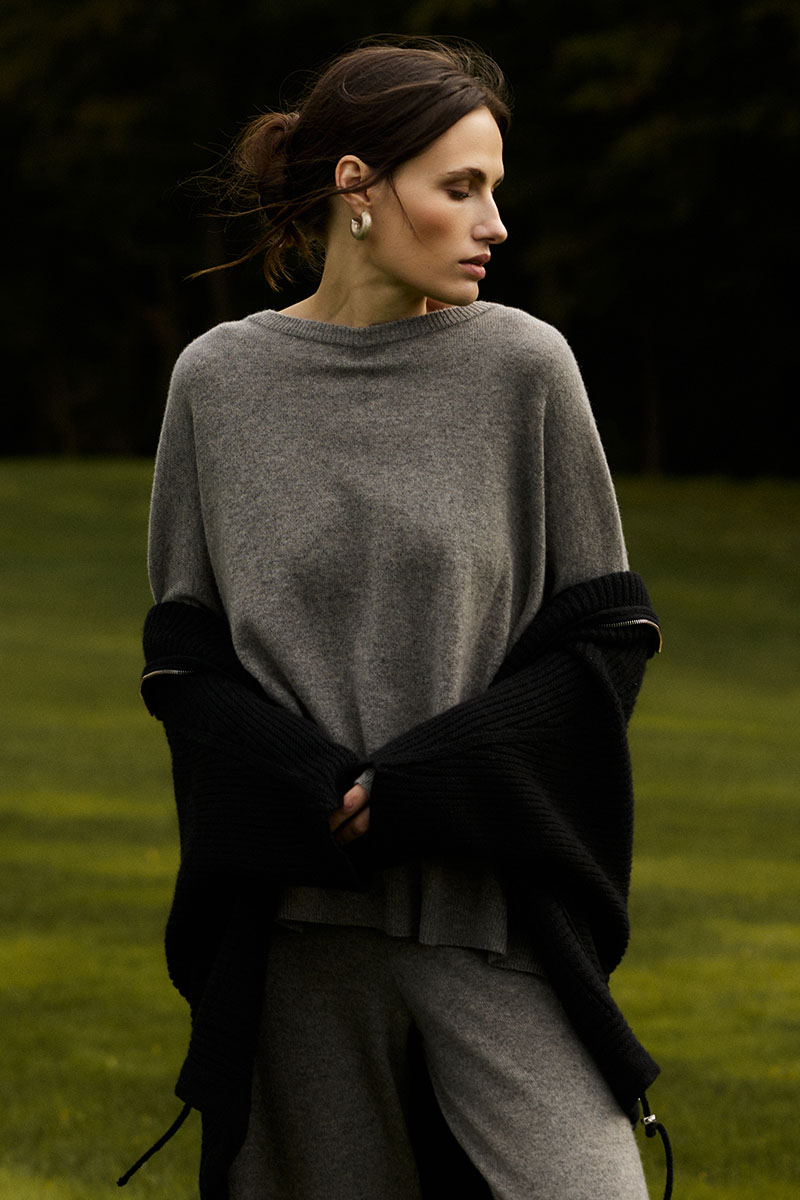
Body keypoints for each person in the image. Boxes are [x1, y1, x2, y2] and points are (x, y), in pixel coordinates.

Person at [133, 36, 664, 1200]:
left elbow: (604, 638)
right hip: (296, 932)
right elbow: (184, 657)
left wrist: (439, 775)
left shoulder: (525, 367)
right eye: (459, 188)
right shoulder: (216, 383)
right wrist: (297, 775)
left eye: (493, 189)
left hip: (491, 911)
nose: (492, 224)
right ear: (356, 188)